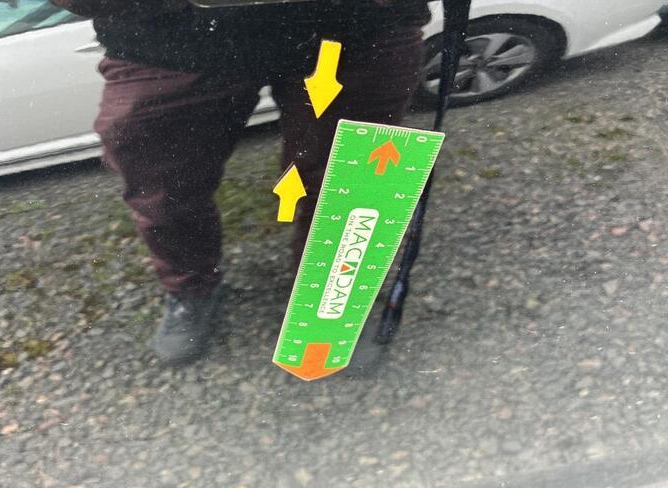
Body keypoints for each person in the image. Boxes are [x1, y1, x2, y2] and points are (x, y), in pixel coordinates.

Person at [50, 0, 430, 360]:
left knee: (353, 181)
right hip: (166, 40)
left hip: (358, 30)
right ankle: (190, 288)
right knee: (163, 190)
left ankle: (335, 304)